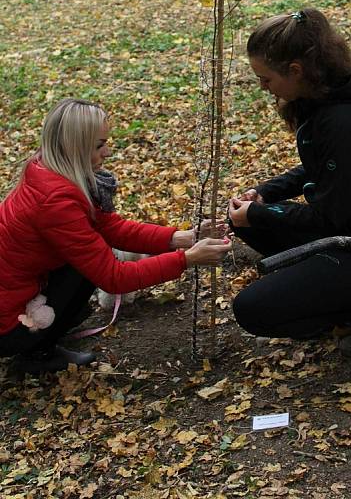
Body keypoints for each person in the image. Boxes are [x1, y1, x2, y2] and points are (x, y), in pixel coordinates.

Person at [228, 9, 351, 357]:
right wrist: (267, 193)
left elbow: (332, 219)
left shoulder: (344, 121)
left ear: (295, 71)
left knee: (250, 310)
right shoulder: (326, 101)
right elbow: (318, 171)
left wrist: (260, 214)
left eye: (265, 79)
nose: (263, 88)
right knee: (243, 220)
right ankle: (318, 291)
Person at [0, 98, 232, 375]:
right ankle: (35, 350)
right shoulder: (55, 200)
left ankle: (46, 329)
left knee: (89, 259)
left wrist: (184, 238)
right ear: (75, 147)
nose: (107, 152)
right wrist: (188, 259)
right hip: (6, 322)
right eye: (99, 145)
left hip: (16, 290)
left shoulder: (48, 169)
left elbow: (110, 228)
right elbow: (113, 277)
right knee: (91, 266)